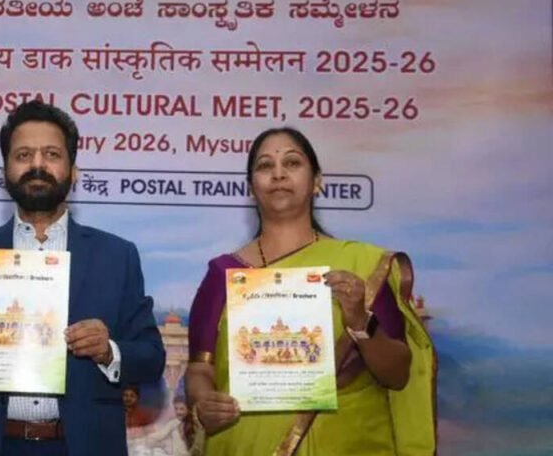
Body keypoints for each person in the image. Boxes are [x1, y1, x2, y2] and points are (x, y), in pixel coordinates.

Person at [0, 101, 166, 456]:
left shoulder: (117, 257)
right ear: (5, 171)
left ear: (73, 171)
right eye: (23, 155)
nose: (37, 165)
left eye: (51, 154)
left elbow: (152, 358)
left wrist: (108, 350)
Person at [184, 126, 436, 456]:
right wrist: (204, 402)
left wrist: (361, 323)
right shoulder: (223, 274)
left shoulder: (360, 266)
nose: (278, 174)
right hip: (246, 443)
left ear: (317, 181)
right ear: (251, 189)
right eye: (265, 166)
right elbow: (199, 368)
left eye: (292, 163)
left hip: (349, 443)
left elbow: (398, 375)